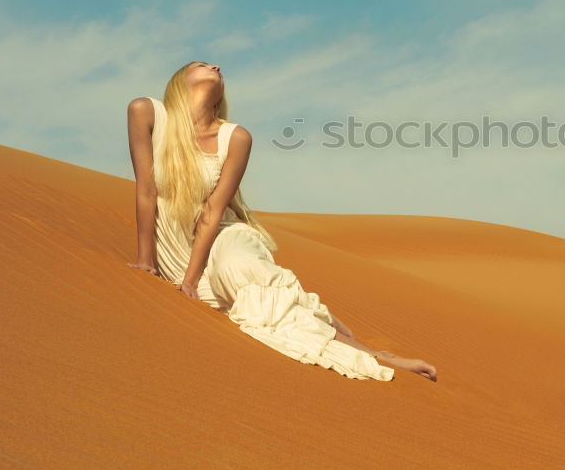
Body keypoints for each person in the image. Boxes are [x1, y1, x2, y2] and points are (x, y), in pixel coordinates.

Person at [125, 60, 437, 382]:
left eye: (217, 67)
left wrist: (190, 282)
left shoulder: (236, 138)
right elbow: (146, 190)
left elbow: (213, 211)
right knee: (258, 314)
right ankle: (355, 343)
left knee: (241, 272)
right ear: (180, 80)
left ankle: (373, 355)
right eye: (202, 65)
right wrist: (146, 261)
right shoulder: (146, 112)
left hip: (222, 236)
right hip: (174, 253)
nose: (215, 66)